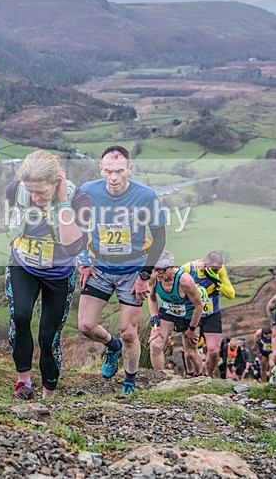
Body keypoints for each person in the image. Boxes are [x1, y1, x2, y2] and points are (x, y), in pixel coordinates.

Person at [77, 145, 167, 394]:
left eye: (119, 171)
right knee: (85, 326)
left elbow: (159, 239)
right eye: (108, 171)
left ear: (130, 169)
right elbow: (78, 228)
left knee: (129, 331)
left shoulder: (147, 196)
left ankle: (129, 380)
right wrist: (83, 261)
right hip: (100, 268)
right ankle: (111, 346)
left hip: (132, 270)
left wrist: (144, 276)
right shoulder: (88, 191)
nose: (113, 178)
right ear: (101, 170)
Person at [5, 151, 91, 400]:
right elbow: (14, 214)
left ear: (57, 182)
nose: (35, 197)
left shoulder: (79, 200)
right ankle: (24, 383)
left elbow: (74, 246)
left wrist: (62, 202)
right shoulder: (15, 189)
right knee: (19, 318)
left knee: (47, 337)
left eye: (41, 192)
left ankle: (48, 396)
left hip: (59, 274)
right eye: (30, 191)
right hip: (23, 266)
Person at [147, 250, 205, 377]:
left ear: (171, 268)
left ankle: (201, 378)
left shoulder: (185, 281)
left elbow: (199, 306)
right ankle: (160, 378)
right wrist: (154, 321)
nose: (157, 273)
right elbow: (151, 298)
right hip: (168, 311)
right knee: (155, 345)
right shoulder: (153, 277)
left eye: (161, 270)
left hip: (189, 314)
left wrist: (192, 328)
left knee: (190, 353)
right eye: (155, 269)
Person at [180, 251, 235, 377]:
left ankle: (208, 376)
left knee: (215, 351)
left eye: (218, 270)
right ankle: (191, 374)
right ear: (205, 264)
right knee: (190, 350)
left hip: (212, 313)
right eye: (214, 270)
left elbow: (231, 294)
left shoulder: (220, 272)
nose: (217, 272)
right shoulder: (188, 269)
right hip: (192, 313)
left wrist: (216, 282)